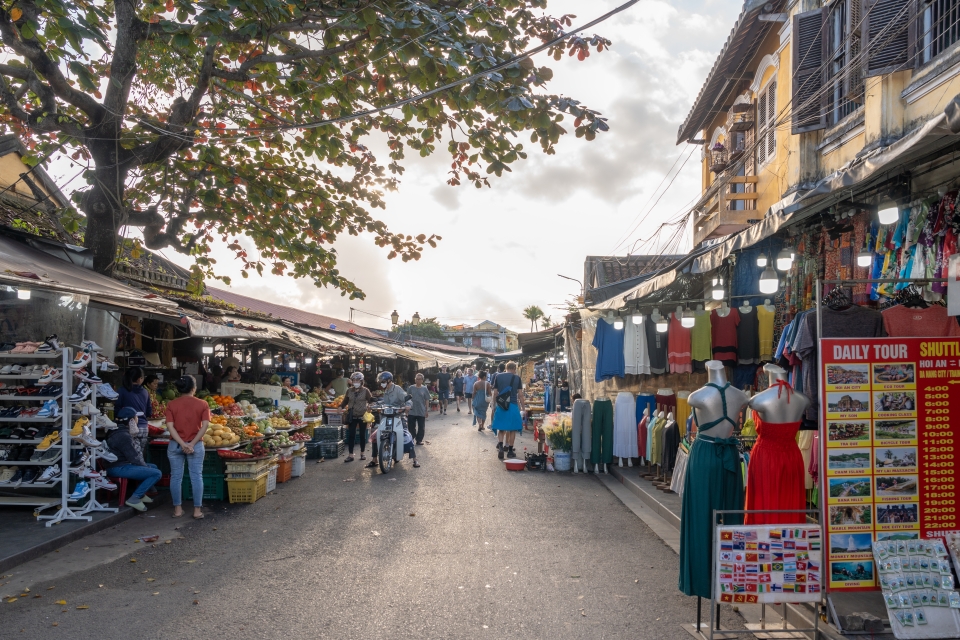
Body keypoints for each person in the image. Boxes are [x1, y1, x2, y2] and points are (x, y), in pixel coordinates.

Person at [164, 376, 211, 519]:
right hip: (195, 445)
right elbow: (205, 426)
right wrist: (191, 444)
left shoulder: (171, 404)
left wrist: (182, 443)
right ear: (194, 388)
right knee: (196, 476)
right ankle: (197, 511)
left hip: (175, 445)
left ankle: (177, 510)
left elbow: (170, 427)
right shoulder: (203, 404)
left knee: (176, 477)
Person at [104, 424, 162, 512]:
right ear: (131, 420)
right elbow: (134, 457)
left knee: (153, 467)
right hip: (118, 467)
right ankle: (135, 498)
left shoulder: (118, 432)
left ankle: (141, 494)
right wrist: (145, 466)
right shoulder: (124, 436)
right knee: (156, 473)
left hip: (118, 465)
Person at [367, 371, 419, 469]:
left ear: (389, 380)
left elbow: (407, 399)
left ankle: (415, 460)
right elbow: (385, 402)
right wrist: (374, 405)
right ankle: (374, 460)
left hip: (398, 416)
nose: (381, 383)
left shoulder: (397, 389)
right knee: (375, 436)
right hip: (386, 417)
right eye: (381, 381)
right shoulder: (386, 390)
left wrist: (407, 406)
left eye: (383, 381)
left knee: (406, 435)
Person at [492, 361, 525, 460]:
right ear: (514, 368)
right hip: (513, 405)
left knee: (501, 428)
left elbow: (495, 392)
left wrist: (493, 405)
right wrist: (523, 408)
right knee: (512, 429)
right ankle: (510, 451)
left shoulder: (498, 376)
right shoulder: (517, 378)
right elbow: (520, 395)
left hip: (501, 405)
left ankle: (501, 447)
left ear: (506, 367)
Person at [117, 367, 151, 453]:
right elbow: (149, 412)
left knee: (128, 456)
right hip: (143, 428)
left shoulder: (122, 390)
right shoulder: (145, 392)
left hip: (128, 428)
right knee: (139, 456)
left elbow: (117, 410)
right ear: (140, 379)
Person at [341, 372, 373, 463]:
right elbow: (345, 401)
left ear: (361, 381)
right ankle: (350, 455)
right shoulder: (349, 391)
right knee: (351, 435)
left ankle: (362, 453)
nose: (355, 382)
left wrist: (371, 406)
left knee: (362, 435)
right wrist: (340, 407)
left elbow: (370, 400)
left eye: (357, 380)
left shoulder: (365, 390)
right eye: (354, 380)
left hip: (362, 416)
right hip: (352, 416)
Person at [406, 373, 431, 445]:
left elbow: (427, 399)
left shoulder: (424, 389)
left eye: (419, 379)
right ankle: (412, 438)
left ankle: (419, 440)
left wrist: (426, 410)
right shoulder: (411, 388)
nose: (417, 380)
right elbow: (407, 398)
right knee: (411, 426)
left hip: (421, 410)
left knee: (421, 427)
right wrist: (406, 409)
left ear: (422, 380)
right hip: (412, 410)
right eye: (416, 379)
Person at [489, 363, 506, 434]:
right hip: (504, 394)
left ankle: (492, 424)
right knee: (502, 409)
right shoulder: (506, 375)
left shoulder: (495, 375)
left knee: (494, 409)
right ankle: (502, 424)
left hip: (496, 394)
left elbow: (492, 385)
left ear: (498, 368)